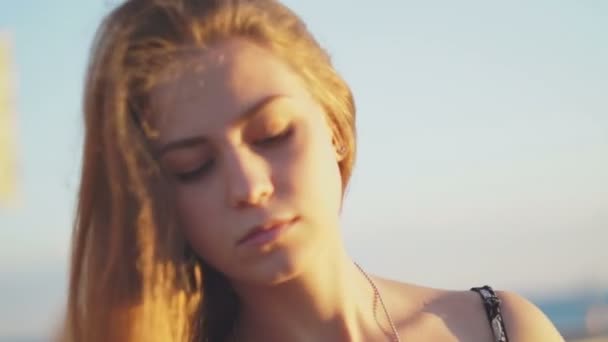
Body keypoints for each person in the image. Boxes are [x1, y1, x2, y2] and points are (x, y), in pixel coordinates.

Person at [59, 0, 565, 341]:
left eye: (273, 133)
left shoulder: (502, 328)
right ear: (156, 200)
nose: (247, 186)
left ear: (336, 127)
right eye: (193, 167)